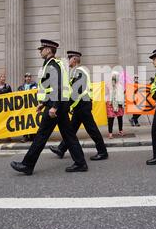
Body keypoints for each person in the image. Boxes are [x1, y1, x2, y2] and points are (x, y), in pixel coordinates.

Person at [10, 39, 88, 175]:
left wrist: (54, 107)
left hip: (56, 105)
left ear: (48, 50)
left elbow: (57, 87)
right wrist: (43, 103)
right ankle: (81, 163)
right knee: (69, 135)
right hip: (58, 104)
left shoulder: (52, 65)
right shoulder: (51, 64)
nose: (40, 51)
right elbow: (51, 88)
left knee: (41, 135)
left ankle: (27, 165)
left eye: (42, 49)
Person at [49, 51, 109, 161]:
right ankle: (61, 149)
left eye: (69, 58)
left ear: (75, 60)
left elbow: (77, 91)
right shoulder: (76, 72)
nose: (68, 61)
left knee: (92, 129)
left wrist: (67, 106)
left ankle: (102, 152)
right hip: (79, 106)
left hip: (83, 105)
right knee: (71, 129)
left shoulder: (80, 71)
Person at [17, 73, 38, 143]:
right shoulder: (21, 87)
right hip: (24, 107)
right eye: (27, 77)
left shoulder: (35, 85)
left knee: (32, 120)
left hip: (32, 107)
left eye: (29, 77)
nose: (28, 78)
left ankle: (33, 136)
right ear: (25, 78)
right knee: (24, 121)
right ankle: (25, 136)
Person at [106, 72, 125, 139]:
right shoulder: (109, 84)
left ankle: (120, 130)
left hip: (119, 102)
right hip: (110, 103)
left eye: (116, 76)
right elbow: (107, 92)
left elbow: (122, 93)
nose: (114, 77)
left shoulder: (120, 84)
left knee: (120, 117)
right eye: (113, 75)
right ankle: (110, 133)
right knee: (110, 118)